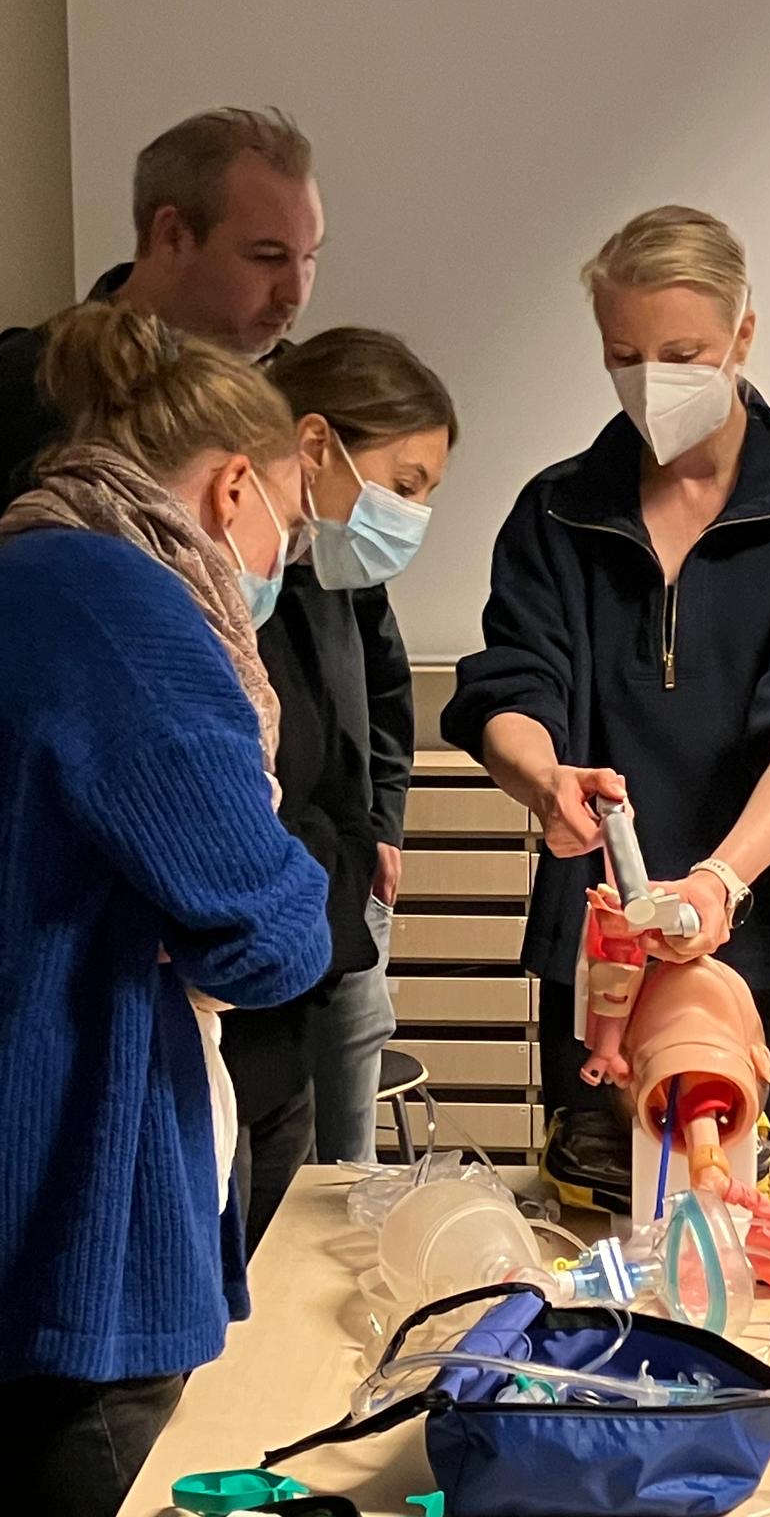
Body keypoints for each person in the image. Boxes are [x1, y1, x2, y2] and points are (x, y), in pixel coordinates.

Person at [443, 205, 770, 1167]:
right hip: (608, 962)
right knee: (607, 1223)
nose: (652, 381)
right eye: (625, 356)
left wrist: (722, 880)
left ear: (743, 334)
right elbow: (514, 686)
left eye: (684, 355)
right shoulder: (558, 511)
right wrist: (543, 779)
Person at [0, 302, 331, 1516]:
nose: (284, 558)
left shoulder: (27, 565)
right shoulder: (121, 606)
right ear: (235, 486)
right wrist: (290, 875)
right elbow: (269, 933)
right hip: (80, 1214)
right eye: (290, 518)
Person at [220, 327, 455, 1215]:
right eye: (404, 485)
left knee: (327, 1170)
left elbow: (380, 695)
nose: (412, 516)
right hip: (261, 923)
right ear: (315, 444)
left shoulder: (331, 560)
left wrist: (378, 822)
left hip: (330, 890)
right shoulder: (224, 578)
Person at [0, 105, 323, 508]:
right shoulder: (23, 388)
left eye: (309, 257)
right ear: (172, 236)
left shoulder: (308, 397)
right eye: (268, 257)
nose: (295, 294)